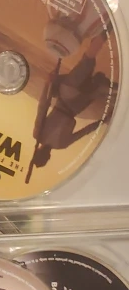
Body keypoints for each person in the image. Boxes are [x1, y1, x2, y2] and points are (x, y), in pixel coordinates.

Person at [26, 33, 114, 181]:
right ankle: (102, 35)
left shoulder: (59, 144)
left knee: (98, 78)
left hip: (78, 103)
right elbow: (43, 106)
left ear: (47, 156)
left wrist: (104, 120)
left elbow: (86, 131)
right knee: (89, 61)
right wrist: (48, 83)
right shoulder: (39, 135)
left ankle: (101, 35)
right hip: (68, 94)